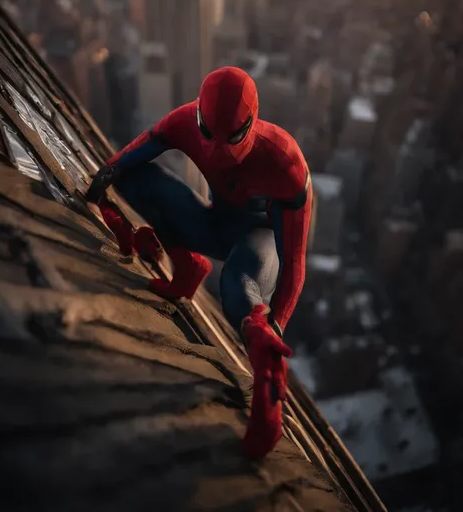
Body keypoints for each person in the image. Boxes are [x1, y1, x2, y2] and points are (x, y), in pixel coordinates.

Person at [86, 66, 313, 459]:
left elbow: (292, 261)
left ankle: (267, 375)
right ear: (199, 119)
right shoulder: (184, 121)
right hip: (213, 223)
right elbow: (132, 156)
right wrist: (104, 181)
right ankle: (187, 266)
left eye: (232, 138)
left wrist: (270, 332)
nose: (218, 151)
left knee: (238, 284)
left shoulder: (285, 162)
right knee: (137, 179)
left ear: (252, 124)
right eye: (210, 134)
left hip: (256, 243)